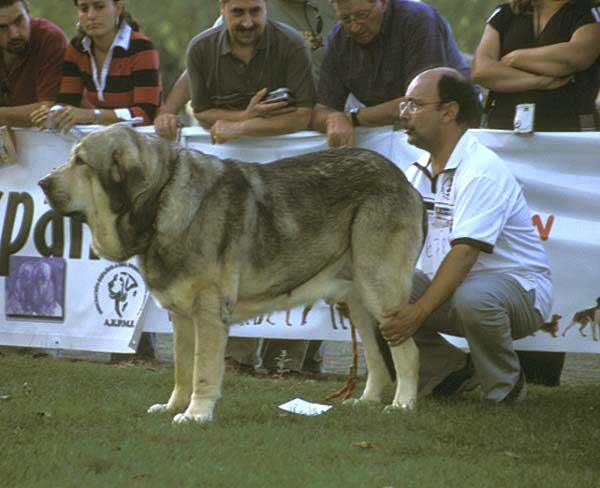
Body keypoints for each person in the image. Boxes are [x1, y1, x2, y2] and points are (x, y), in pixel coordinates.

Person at [380, 68, 553, 403]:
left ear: (449, 111)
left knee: (475, 296)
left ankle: (504, 388)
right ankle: (450, 373)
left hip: (517, 292)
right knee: (374, 290)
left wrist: (416, 314)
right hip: (452, 292)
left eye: (414, 105)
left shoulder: (481, 171)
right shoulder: (415, 171)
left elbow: (465, 254)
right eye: (404, 105)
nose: (403, 114)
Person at [154, 0, 335, 141]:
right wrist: (169, 111)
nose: (247, 22)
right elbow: (203, 64)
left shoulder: (332, 7)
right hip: (269, 122)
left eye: (255, 12)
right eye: (239, 12)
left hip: (322, 112)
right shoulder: (244, 9)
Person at [311, 0, 471, 148]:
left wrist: (353, 118)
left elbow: (421, 103)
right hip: (390, 133)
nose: (354, 27)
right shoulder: (338, 38)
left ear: (383, 2)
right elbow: (321, 110)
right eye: (346, 19)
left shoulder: (417, 18)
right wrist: (332, 118)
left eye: (362, 15)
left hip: (450, 127)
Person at [30, 0, 161, 133]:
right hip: (104, 139)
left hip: (143, 141)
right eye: (84, 9)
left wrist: (92, 115)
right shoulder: (77, 48)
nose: (91, 15)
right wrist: (52, 115)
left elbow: (144, 115)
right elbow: (67, 103)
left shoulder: (141, 48)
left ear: (118, 8)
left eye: (99, 7)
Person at [472, 0, 600, 131]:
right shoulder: (505, 13)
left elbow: (575, 56)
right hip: (504, 130)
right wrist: (540, 82)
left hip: (567, 131)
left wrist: (514, 58)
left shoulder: (587, 12)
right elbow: (481, 71)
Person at [0, 0, 67, 127]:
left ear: (28, 12)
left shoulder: (50, 39)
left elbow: (48, 111)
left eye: (19, 20)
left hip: (55, 135)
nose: (14, 34)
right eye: (2, 27)